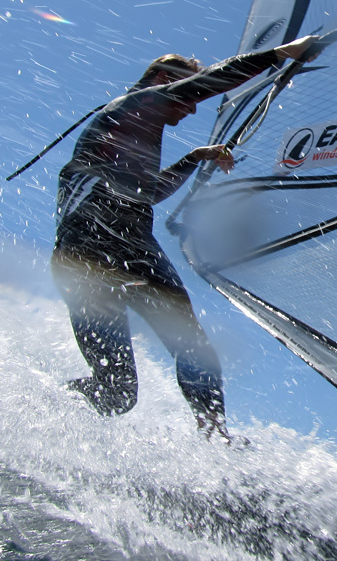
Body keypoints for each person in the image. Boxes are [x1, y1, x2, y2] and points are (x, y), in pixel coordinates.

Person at [52, 36, 318, 443]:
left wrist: (194, 157)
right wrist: (281, 53)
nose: (193, 107)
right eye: (186, 92)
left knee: (152, 376)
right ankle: (39, 407)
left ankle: (216, 443)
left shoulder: (139, 127)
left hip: (131, 246)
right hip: (89, 248)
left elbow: (150, 192)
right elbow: (210, 81)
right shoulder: (131, 106)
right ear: (162, 78)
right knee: (116, 389)